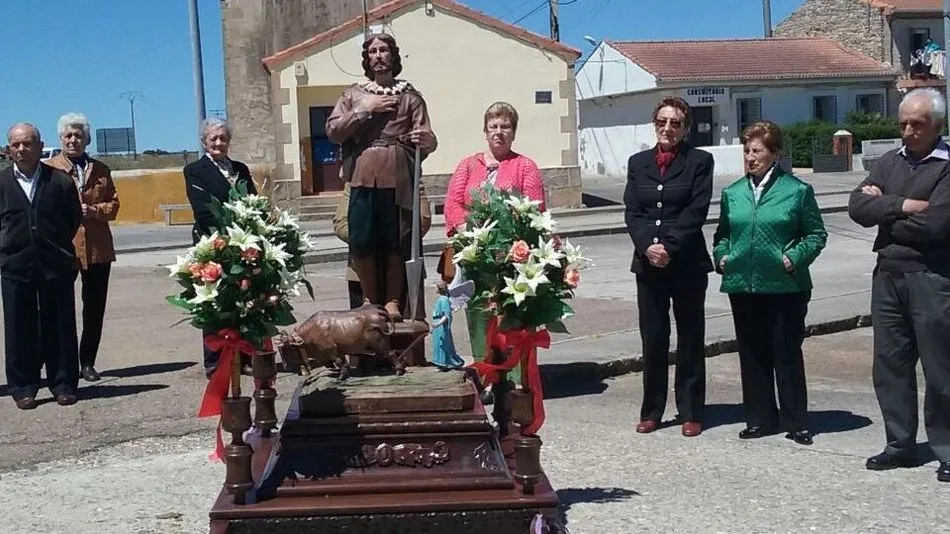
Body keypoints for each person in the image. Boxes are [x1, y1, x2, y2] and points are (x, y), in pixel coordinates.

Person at [848, 87, 950, 483]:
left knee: (940, 366)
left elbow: (939, 224)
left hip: (931, 276)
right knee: (891, 364)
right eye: (903, 123)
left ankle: (945, 447)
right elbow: (857, 207)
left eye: (917, 124)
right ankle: (900, 444)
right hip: (887, 275)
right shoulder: (889, 162)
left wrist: (883, 207)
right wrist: (904, 205)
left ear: (936, 126)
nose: (908, 131)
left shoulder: (945, 166)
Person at [712, 120, 827, 446]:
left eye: (757, 151)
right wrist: (722, 257)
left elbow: (816, 234)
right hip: (742, 285)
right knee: (751, 354)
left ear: (774, 153)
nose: (750, 157)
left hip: (785, 286)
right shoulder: (732, 193)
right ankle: (760, 418)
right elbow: (722, 235)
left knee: (785, 353)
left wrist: (794, 257)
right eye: (747, 151)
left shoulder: (797, 191)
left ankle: (796, 421)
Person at [326, 32, 437, 322]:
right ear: (367, 58)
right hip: (362, 174)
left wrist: (427, 140)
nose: (378, 55)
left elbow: (427, 137)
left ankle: (391, 301)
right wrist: (364, 110)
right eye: (372, 51)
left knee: (395, 240)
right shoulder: (353, 94)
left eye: (383, 49)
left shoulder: (410, 96)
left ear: (393, 55)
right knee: (362, 240)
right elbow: (333, 130)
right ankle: (369, 298)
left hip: (399, 174)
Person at [623, 96, 713, 438]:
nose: (668, 128)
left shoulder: (699, 161)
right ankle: (652, 411)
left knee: (690, 338)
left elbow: (696, 210)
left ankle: (691, 410)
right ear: (654, 124)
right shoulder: (638, 163)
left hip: (686, 263)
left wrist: (669, 247)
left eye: (675, 123)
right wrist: (648, 246)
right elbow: (634, 211)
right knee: (654, 339)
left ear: (685, 128)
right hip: (649, 266)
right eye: (662, 122)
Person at [443, 101, 545, 368]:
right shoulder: (468, 165)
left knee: (509, 316)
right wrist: (468, 231)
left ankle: (511, 375)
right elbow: (452, 203)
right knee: (479, 315)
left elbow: (535, 208)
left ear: (513, 132)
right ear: (485, 131)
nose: (499, 132)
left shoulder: (525, 166)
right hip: (476, 255)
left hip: (511, 255)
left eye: (505, 126)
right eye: (494, 126)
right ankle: (484, 371)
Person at [1, 123, 82, 409]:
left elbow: (72, 219)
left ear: (40, 146)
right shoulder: (2, 183)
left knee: (59, 325)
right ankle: (24, 386)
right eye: (15, 144)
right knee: (19, 328)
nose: (21, 149)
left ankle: (63, 383)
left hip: (54, 264)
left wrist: (54, 245)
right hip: (15, 266)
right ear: (8, 149)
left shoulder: (59, 181)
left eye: (27, 143)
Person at [45, 113, 120, 382]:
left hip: (98, 249)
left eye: (78, 135)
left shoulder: (100, 169)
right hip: (63, 249)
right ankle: (60, 364)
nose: (73, 140)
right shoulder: (49, 169)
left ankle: (87, 361)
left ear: (86, 139)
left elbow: (114, 205)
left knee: (94, 307)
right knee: (59, 307)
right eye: (68, 135)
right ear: (61, 139)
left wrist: (95, 210)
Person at [183, 118, 258, 378]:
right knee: (213, 302)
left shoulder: (240, 168)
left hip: (242, 245)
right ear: (204, 141)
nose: (218, 143)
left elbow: (253, 201)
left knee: (244, 300)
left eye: (223, 138)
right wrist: (227, 231)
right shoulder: (195, 170)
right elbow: (202, 208)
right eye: (213, 138)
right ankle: (214, 360)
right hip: (212, 244)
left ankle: (245, 356)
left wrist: (250, 229)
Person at [332, 181, 432, 318]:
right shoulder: (355, 181)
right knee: (365, 333)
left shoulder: (409, 179)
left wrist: (397, 239)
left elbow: (422, 219)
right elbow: (341, 223)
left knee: (406, 333)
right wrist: (368, 239)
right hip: (360, 274)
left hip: (405, 273)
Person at [430, 280, 464, 370]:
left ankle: (446, 363)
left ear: (439, 288)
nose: (434, 288)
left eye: (436, 287)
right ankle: (441, 363)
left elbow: (447, 315)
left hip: (441, 326)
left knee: (443, 344)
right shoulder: (441, 298)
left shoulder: (444, 300)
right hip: (437, 325)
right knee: (438, 344)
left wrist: (438, 324)